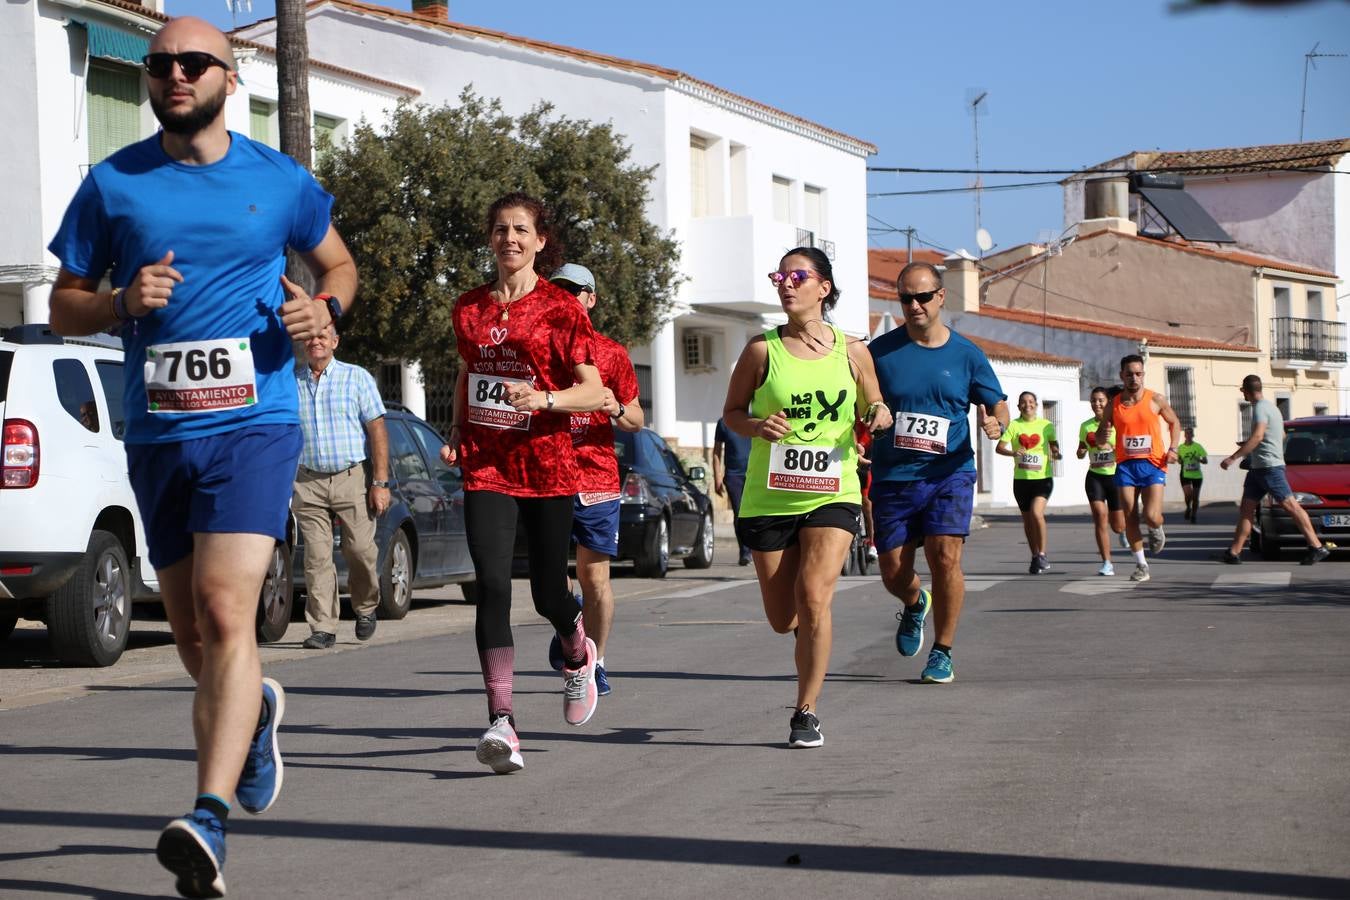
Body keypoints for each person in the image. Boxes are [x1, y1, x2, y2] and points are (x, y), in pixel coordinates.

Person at [46, 16, 357, 898]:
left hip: (255, 423)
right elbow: (65, 303)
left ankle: (208, 818)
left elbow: (339, 267)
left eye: (192, 63)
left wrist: (324, 313)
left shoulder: (280, 179)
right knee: (191, 636)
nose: (174, 75)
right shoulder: (112, 185)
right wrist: (116, 304)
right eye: (158, 65)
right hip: (158, 432)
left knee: (227, 613)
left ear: (231, 74)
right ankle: (253, 713)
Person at [440, 193, 606, 775]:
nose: (509, 238)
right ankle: (502, 721)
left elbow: (596, 392)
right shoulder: (469, 309)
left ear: (539, 241)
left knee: (546, 593)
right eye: (500, 229)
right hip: (487, 464)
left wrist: (545, 398)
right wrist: (458, 426)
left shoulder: (563, 309)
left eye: (521, 230)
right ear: (491, 239)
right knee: (490, 584)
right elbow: (468, 372)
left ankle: (575, 646)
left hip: (548, 464)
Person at [723, 246, 891, 748]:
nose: (786, 283)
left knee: (815, 595)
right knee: (784, 618)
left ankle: (806, 711)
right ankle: (805, 636)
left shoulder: (853, 350)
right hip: (770, 495)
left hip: (832, 489)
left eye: (798, 275)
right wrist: (757, 425)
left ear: (824, 287)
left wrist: (879, 415)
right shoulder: (760, 350)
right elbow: (731, 412)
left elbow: (875, 402)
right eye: (780, 275)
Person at [869, 261, 1008, 685]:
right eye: (905, 297)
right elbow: (859, 403)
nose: (914, 305)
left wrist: (997, 423)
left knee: (946, 555)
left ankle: (943, 650)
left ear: (941, 297)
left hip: (950, 471)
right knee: (893, 572)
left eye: (923, 297)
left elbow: (997, 403)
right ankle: (915, 603)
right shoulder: (880, 353)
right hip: (894, 475)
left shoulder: (967, 355)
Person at [543, 263, 644, 696]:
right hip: (545, 475)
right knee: (551, 579)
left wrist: (614, 409)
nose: (567, 298)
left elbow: (637, 418)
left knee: (595, 577)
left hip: (597, 477)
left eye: (575, 291)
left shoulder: (612, 354)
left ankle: (595, 661)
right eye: (558, 291)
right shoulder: (536, 351)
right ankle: (571, 624)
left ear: (591, 298)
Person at [293, 323, 390, 650]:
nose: (316, 341)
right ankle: (323, 626)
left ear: (335, 341)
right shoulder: (292, 383)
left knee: (360, 550)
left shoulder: (357, 377)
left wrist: (380, 482)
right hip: (307, 481)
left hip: (351, 477)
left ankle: (365, 607)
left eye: (323, 335)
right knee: (317, 557)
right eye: (310, 337)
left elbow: (377, 430)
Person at [1219, 375, 1330, 565]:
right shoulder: (1273, 409)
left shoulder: (1260, 409)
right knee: (1246, 509)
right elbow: (1282, 435)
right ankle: (1234, 552)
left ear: (1246, 390)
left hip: (1269, 468)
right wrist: (1258, 447)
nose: (1243, 394)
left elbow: (1258, 436)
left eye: (1242, 391)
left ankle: (1316, 546)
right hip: (1258, 468)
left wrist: (1233, 457)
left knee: (1291, 506)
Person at [1095, 354, 1182, 583]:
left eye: (1138, 373)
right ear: (1122, 376)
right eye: (1129, 374)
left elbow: (1175, 423)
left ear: (1143, 375)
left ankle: (1156, 528)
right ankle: (1141, 565)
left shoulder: (1156, 399)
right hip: (1126, 466)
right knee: (1130, 517)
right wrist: (1101, 437)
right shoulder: (1114, 404)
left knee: (1151, 516)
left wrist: (1173, 448)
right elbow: (1102, 434)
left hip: (1153, 464)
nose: (1134, 378)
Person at [996, 391, 1061, 574]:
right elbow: (1000, 448)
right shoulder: (1014, 426)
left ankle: (1042, 553)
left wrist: (1056, 452)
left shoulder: (1046, 425)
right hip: (1021, 481)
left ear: (1036, 405)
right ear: (1018, 406)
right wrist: (1013, 453)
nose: (1027, 405)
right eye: (1023, 402)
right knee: (1027, 520)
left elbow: (1053, 443)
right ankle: (1034, 556)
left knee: (1036, 513)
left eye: (1031, 401)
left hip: (1042, 479)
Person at [1077, 386, 1126, 576]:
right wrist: (1081, 452)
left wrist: (1112, 447)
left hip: (1114, 477)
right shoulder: (1086, 426)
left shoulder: (1117, 424)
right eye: (1093, 401)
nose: (1096, 404)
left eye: (1100, 400)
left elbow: (1124, 449)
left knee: (1118, 525)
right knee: (1099, 516)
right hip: (1095, 476)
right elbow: (1081, 450)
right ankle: (1107, 562)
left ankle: (1122, 532)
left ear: (1108, 403)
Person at [713, 416, 754, 565]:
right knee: (739, 513)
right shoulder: (724, 422)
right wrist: (717, 477)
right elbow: (717, 452)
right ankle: (745, 552)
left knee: (754, 513)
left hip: (755, 474)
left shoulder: (756, 417)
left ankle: (754, 549)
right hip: (733, 475)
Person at [1175, 427, 1208, 523]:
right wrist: (1179, 460)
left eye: (1190, 434)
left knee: (1196, 497)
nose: (1189, 435)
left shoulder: (1198, 446)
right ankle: (1188, 507)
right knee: (1188, 495)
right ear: (1184, 435)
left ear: (1193, 435)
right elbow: (1179, 460)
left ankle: (1194, 515)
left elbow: (1205, 461)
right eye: (1187, 434)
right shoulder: (1181, 447)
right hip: (1185, 474)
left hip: (1197, 475)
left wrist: (1199, 460)